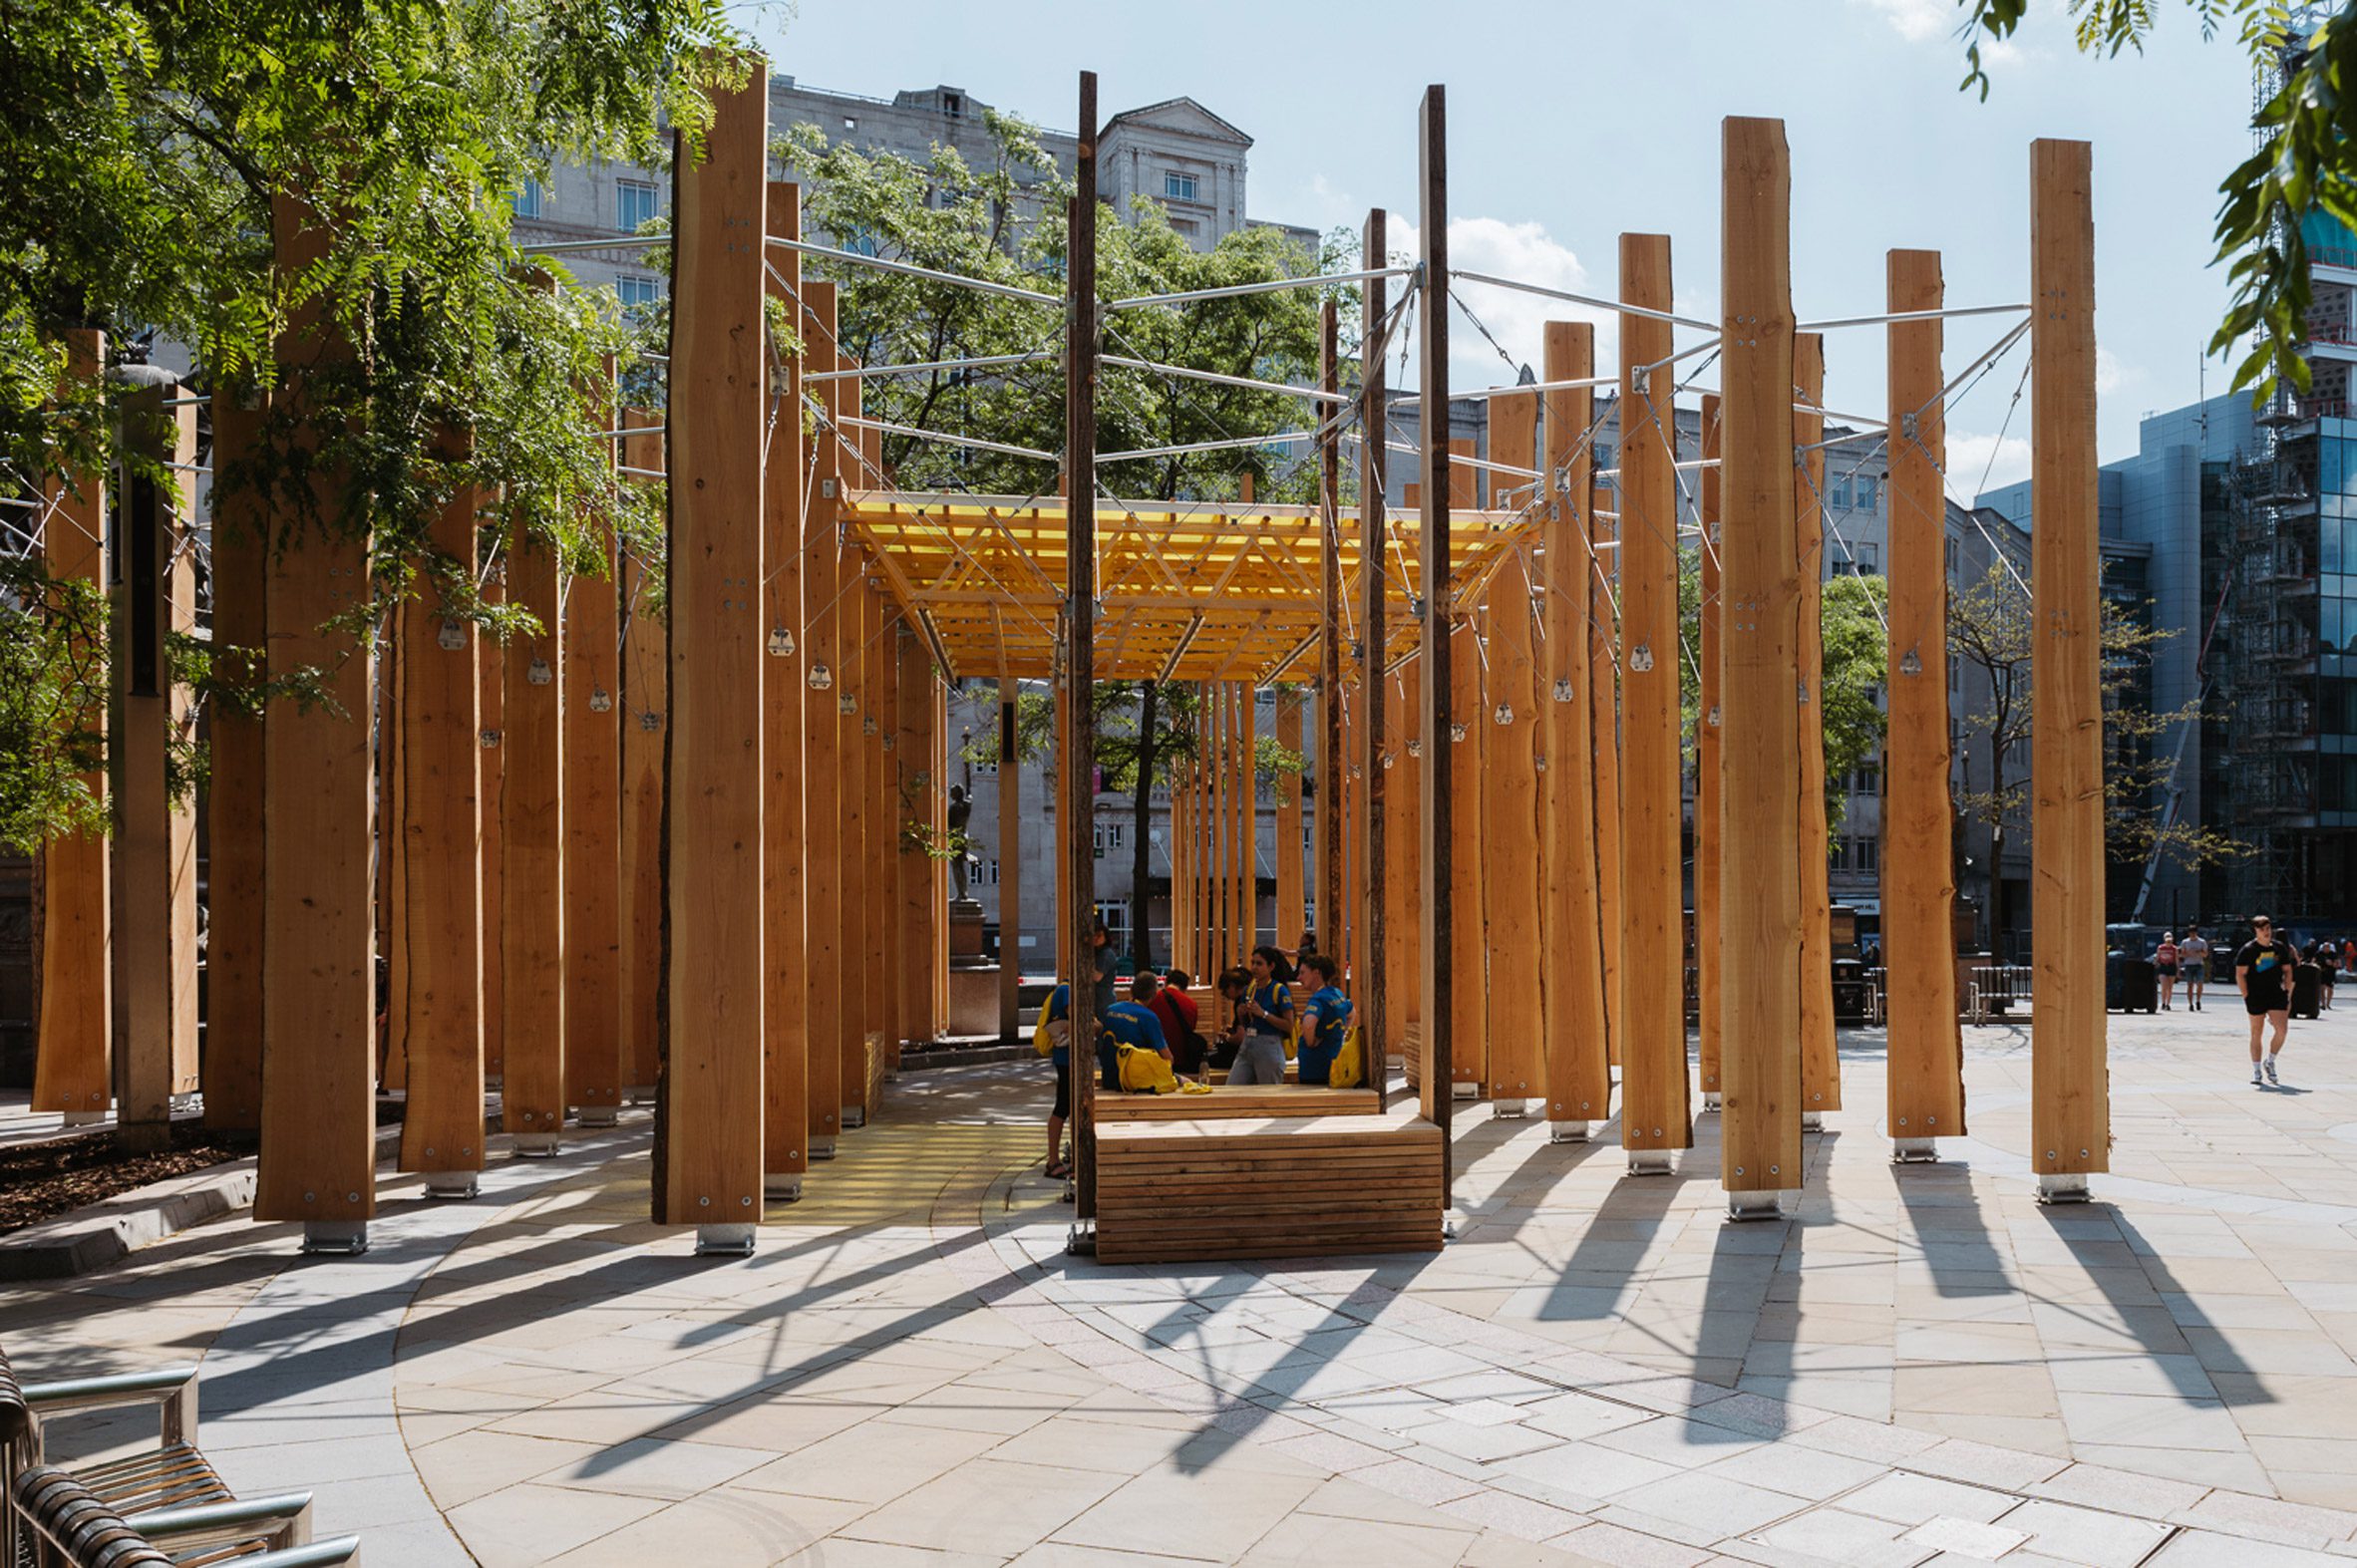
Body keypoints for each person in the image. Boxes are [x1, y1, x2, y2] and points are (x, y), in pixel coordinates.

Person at [2235, 916, 2295, 1087]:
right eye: (2262, 929)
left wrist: (2287, 989)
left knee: (2282, 1030)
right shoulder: (2248, 950)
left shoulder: (2279, 948)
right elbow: (2240, 974)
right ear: (2255, 931)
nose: (2266, 932)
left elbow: (2288, 970)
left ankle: (2270, 1061)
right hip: (2255, 994)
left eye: (2268, 928)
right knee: (2256, 1032)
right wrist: (2246, 995)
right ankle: (2256, 1070)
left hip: (2276, 992)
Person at [1228, 945, 1294, 1086]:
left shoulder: (1279, 990)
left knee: (1268, 1092)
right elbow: (1245, 1024)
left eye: (1259, 964)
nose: (1254, 968)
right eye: (1252, 963)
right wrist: (1241, 1014)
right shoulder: (1249, 989)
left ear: (1271, 967)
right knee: (1232, 1088)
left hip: (1269, 1044)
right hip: (1248, 1042)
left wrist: (1263, 1014)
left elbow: (1289, 1026)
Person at [1294, 954, 1352, 1087]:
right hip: (1333, 1063)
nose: (1299, 978)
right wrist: (1340, 1033)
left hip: (1313, 1068)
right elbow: (1351, 1013)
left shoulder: (1318, 999)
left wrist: (1310, 1042)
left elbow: (1308, 1025)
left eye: (1303, 973)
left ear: (1316, 973)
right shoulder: (1337, 994)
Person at [1103, 976, 1174, 1082]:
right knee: (1185, 1082)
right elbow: (1166, 1056)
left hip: (1109, 1077)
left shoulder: (1110, 1010)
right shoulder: (1148, 1017)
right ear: (1154, 995)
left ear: (1131, 989)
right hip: (1134, 1080)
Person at [1040, 983, 1074, 1179]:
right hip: (1066, 1058)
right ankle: (1053, 1160)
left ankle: (1056, 1159)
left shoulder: (1067, 989)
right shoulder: (1067, 990)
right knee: (1063, 1106)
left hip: (1068, 1058)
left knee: (1066, 1105)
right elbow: (1076, 1019)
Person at [1150, 969, 1205, 1081]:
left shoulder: (1152, 999)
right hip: (1181, 1060)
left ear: (1166, 982)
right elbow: (1191, 1029)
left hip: (1154, 1058)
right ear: (1185, 987)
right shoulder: (1191, 1005)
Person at [1208, 967, 1249, 1074]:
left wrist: (1228, 1037)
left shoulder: (1241, 1002)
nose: (1223, 994)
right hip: (1251, 1051)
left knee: (1205, 1060)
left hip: (1241, 1054)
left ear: (1231, 986)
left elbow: (1240, 1037)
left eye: (1224, 990)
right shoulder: (1250, 997)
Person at [1090, 921, 1119, 1020]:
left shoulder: (1106, 954)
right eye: (1094, 935)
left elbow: (1097, 977)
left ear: (1106, 937)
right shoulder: (1097, 953)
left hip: (1103, 1000)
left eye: (1099, 935)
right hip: (1099, 998)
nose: (1096, 938)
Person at [2181, 929, 2211, 1013]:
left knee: (2200, 983)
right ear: (2189, 933)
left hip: (2199, 965)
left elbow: (2205, 955)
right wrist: (2188, 953)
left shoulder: (2202, 942)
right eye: (2191, 933)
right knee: (2190, 985)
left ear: (2196, 933)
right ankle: (2190, 1004)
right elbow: (2182, 955)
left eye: (2194, 933)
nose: (2192, 934)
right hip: (2189, 965)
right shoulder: (2185, 942)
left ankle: (2198, 1000)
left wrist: (2198, 952)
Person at [2155, 931, 2180, 1012]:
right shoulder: (2160, 948)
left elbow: (2176, 960)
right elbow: (2157, 958)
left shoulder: (2174, 949)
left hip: (2171, 967)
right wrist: (2155, 966)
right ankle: (2163, 1003)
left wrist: (2178, 970)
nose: (2168, 941)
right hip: (2163, 967)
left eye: (2170, 939)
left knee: (2170, 987)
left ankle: (2168, 1004)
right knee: (2164, 986)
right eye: (2167, 939)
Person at [2315, 938, 2338, 1013]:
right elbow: (2315, 961)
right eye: (2325, 947)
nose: (2326, 948)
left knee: (2330, 989)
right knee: (2322, 988)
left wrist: (2332, 963)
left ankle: (2328, 1004)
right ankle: (2323, 1003)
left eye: (2328, 947)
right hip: (2322, 973)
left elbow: (2337, 963)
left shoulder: (2333, 954)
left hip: (2331, 973)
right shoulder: (2319, 954)